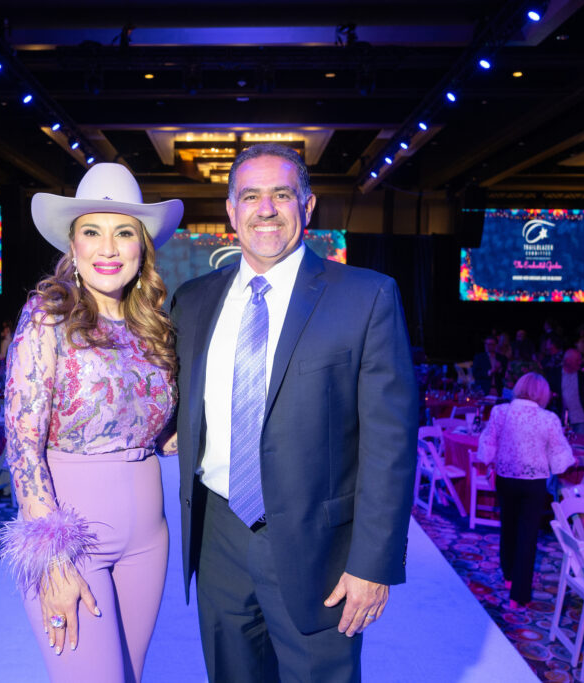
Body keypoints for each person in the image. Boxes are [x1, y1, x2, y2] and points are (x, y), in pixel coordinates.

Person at [171, 143, 418, 681]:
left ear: (307, 207)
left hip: (320, 547)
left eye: (281, 195)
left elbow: (390, 445)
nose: (266, 209)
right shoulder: (191, 300)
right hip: (217, 535)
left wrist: (371, 563)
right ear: (231, 211)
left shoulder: (366, 296)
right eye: (251, 196)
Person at [0, 163, 182, 682]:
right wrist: (51, 558)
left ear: (142, 247)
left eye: (124, 233)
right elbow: (22, 444)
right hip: (71, 540)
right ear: (72, 247)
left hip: (149, 538)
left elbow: (157, 429)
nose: (108, 248)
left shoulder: (154, 327)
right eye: (91, 232)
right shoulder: (48, 316)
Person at [476, 372, 574, 609]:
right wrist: (568, 462)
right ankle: (518, 596)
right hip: (533, 483)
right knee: (527, 537)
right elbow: (559, 457)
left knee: (508, 528)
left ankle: (509, 576)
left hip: (506, 478)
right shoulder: (549, 418)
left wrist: (487, 461)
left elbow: (488, 444)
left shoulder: (501, 411)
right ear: (543, 393)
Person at [545, 348, 584, 435]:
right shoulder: (554, 374)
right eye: (577, 360)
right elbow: (548, 393)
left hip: (582, 418)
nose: (580, 362)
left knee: (579, 445)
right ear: (567, 361)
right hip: (564, 419)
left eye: (580, 360)